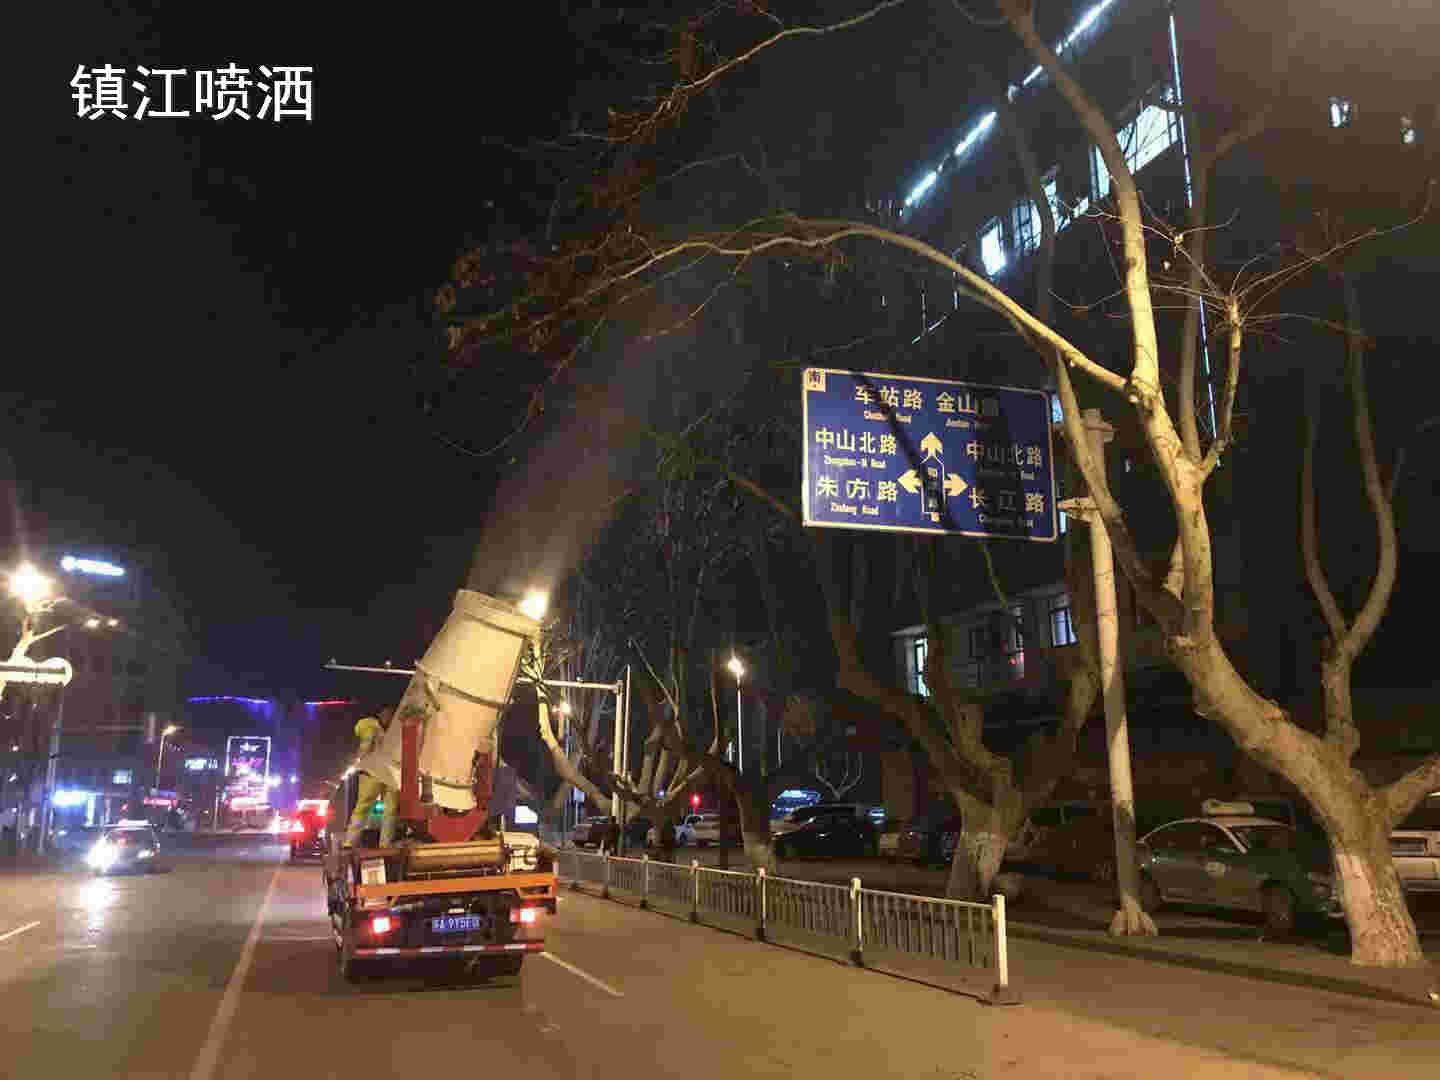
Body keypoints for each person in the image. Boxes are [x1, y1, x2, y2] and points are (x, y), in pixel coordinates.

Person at [344, 707, 397, 848]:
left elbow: (365, 748)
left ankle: (382, 844)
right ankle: (351, 841)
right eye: (388, 714)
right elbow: (365, 747)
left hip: (385, 772)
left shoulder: (382, 728)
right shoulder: (372, 726)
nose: (390, 717)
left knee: (385, 809)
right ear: (381, 714)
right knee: (371, 807)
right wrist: (361, 761)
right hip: (376, 772)